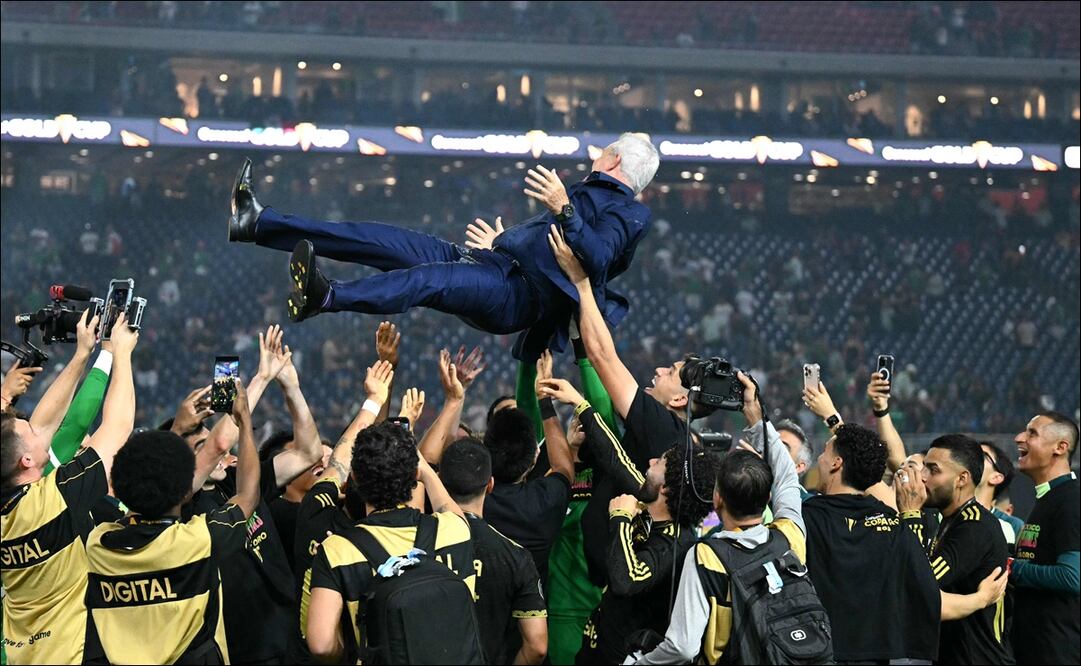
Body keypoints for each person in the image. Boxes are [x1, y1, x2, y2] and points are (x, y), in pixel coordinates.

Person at [227, 133, 660, 360]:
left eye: (604, 151)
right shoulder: (591, 191)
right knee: (374, 238)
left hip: (513, 295)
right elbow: (548, 245)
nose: (598, 154)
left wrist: (564, 208)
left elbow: (598, 257)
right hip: (491, 261)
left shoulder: (629, 212)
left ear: (615, 159)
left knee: (426, 281)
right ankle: (258, 224)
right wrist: (503, 240)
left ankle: (326, 296)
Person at [546, 225, 720, 586]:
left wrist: (581, 284)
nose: (658, 370)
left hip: (621, 572)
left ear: (679, 400)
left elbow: (604, 357)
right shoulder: (687, 443)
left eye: (670, 371)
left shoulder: (663, 426)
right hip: (620, 568)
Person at [83, 381, 259, 664]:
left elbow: (139, 483)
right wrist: (245, 421)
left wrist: (177, 428)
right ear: (187, 492)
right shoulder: (198, 541)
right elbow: (248, 494)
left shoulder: (99, 544)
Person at [633, 373, 803, 664]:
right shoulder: (790, 537)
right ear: (766, 500)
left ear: (717, 499)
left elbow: (682, 647)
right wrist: (754, 413)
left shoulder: (706, 556)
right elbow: (786, 478)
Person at [1, 314, 135, 665]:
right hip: (71, 651)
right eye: (27, 430)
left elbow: (46, 422)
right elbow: (117, 428)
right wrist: (121, 354)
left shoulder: (19, 490)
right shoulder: (57, 495)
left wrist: (83, 354)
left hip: (20, 654)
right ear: (26, 462)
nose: (37, 427)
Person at [304, 422, 477, 663]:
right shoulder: (454, 530)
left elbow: (321, 645)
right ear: (415, 475)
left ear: (354, 477)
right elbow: (448, 508)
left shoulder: (338, 550)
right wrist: (425, 470)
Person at [895, 434, 1014, 664]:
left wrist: (910, 514)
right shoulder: (952, 519)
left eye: (933, 470)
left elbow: (922, 582)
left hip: (978, 658)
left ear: (961, 479)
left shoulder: (975, 526)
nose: (922, 478)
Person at [439, 438, 548, 665]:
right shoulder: (515, 556)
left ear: (441, 481)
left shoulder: (417, 546)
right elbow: (537, 646)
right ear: (490, 485)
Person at [1010, 412, 1080, 665]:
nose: (1019, 438)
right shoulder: (1048, 499)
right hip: (1037, 648)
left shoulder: (1071, 501)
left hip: (1058, 652)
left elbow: (1072, 577)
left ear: (1060, 448)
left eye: (1032, 433)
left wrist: (1010, 568)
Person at [482, 400, 573, 589]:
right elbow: (563, 468)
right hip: (531, 614)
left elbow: (430, 463)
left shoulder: (471, 498)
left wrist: (454, 401)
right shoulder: (544, 501)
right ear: (534, 457)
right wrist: (545, 403)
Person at [976, 441, 1025, 554]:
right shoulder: (939, 515)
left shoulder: (1013, 526)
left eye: (981, 455)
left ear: (996, 478)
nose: (970, 458)